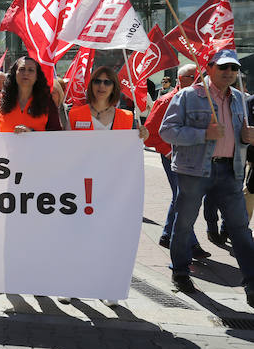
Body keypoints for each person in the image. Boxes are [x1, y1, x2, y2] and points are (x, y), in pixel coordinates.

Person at [160, 49, 254, 307]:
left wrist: (247, 139)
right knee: (184, 224)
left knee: (240, 228)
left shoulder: (239, 99)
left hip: (230, 171)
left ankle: (251, 282)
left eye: (234, 68)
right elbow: (167, 131)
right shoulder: (188, 96)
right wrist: (203, 133)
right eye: (224, 67)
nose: (230, 73)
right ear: (210, 67)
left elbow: (239, 136)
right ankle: (180, 271)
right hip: (194, 171)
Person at [145, 64, 211, 260]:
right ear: (182, 79)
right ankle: (191, 244)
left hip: (190, 158)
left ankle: (167, 235)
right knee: (184, 198)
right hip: (173, 158)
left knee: (180, 197)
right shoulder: (166, 100)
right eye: (195, 78)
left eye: (201, 78)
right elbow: (149, 135)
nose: (201, 82)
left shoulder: (199, 99)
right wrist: (167, 152)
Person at [0, 56, 62, 133]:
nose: (26, 73)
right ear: (14, 73)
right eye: (22, 69)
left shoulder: (47, 102)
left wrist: (32, 134)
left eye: (31, 70)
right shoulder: (0, 100)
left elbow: (56, 135)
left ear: (37, 76)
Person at [67, 66, 147, 138]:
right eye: (97, 81)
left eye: (107, 82)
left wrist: (143, 135)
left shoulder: (127, 117)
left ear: (114, 87)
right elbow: (67, 144)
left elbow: (132, 145)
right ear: (91, 85)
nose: (101, 86)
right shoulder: (74, 114)